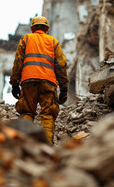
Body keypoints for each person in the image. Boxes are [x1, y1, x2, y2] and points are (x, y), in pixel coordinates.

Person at [9, 15, 69, 144]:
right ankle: (47, 144)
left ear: (32, 28)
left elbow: (18, 62)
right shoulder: (53, 41)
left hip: (28, 80)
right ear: (46, 28)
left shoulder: (26, 39)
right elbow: (61, 65)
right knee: (48, 114)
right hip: (48, 82)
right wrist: (64, 88)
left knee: (27, 112)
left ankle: (23, 143)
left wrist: (14, 83)